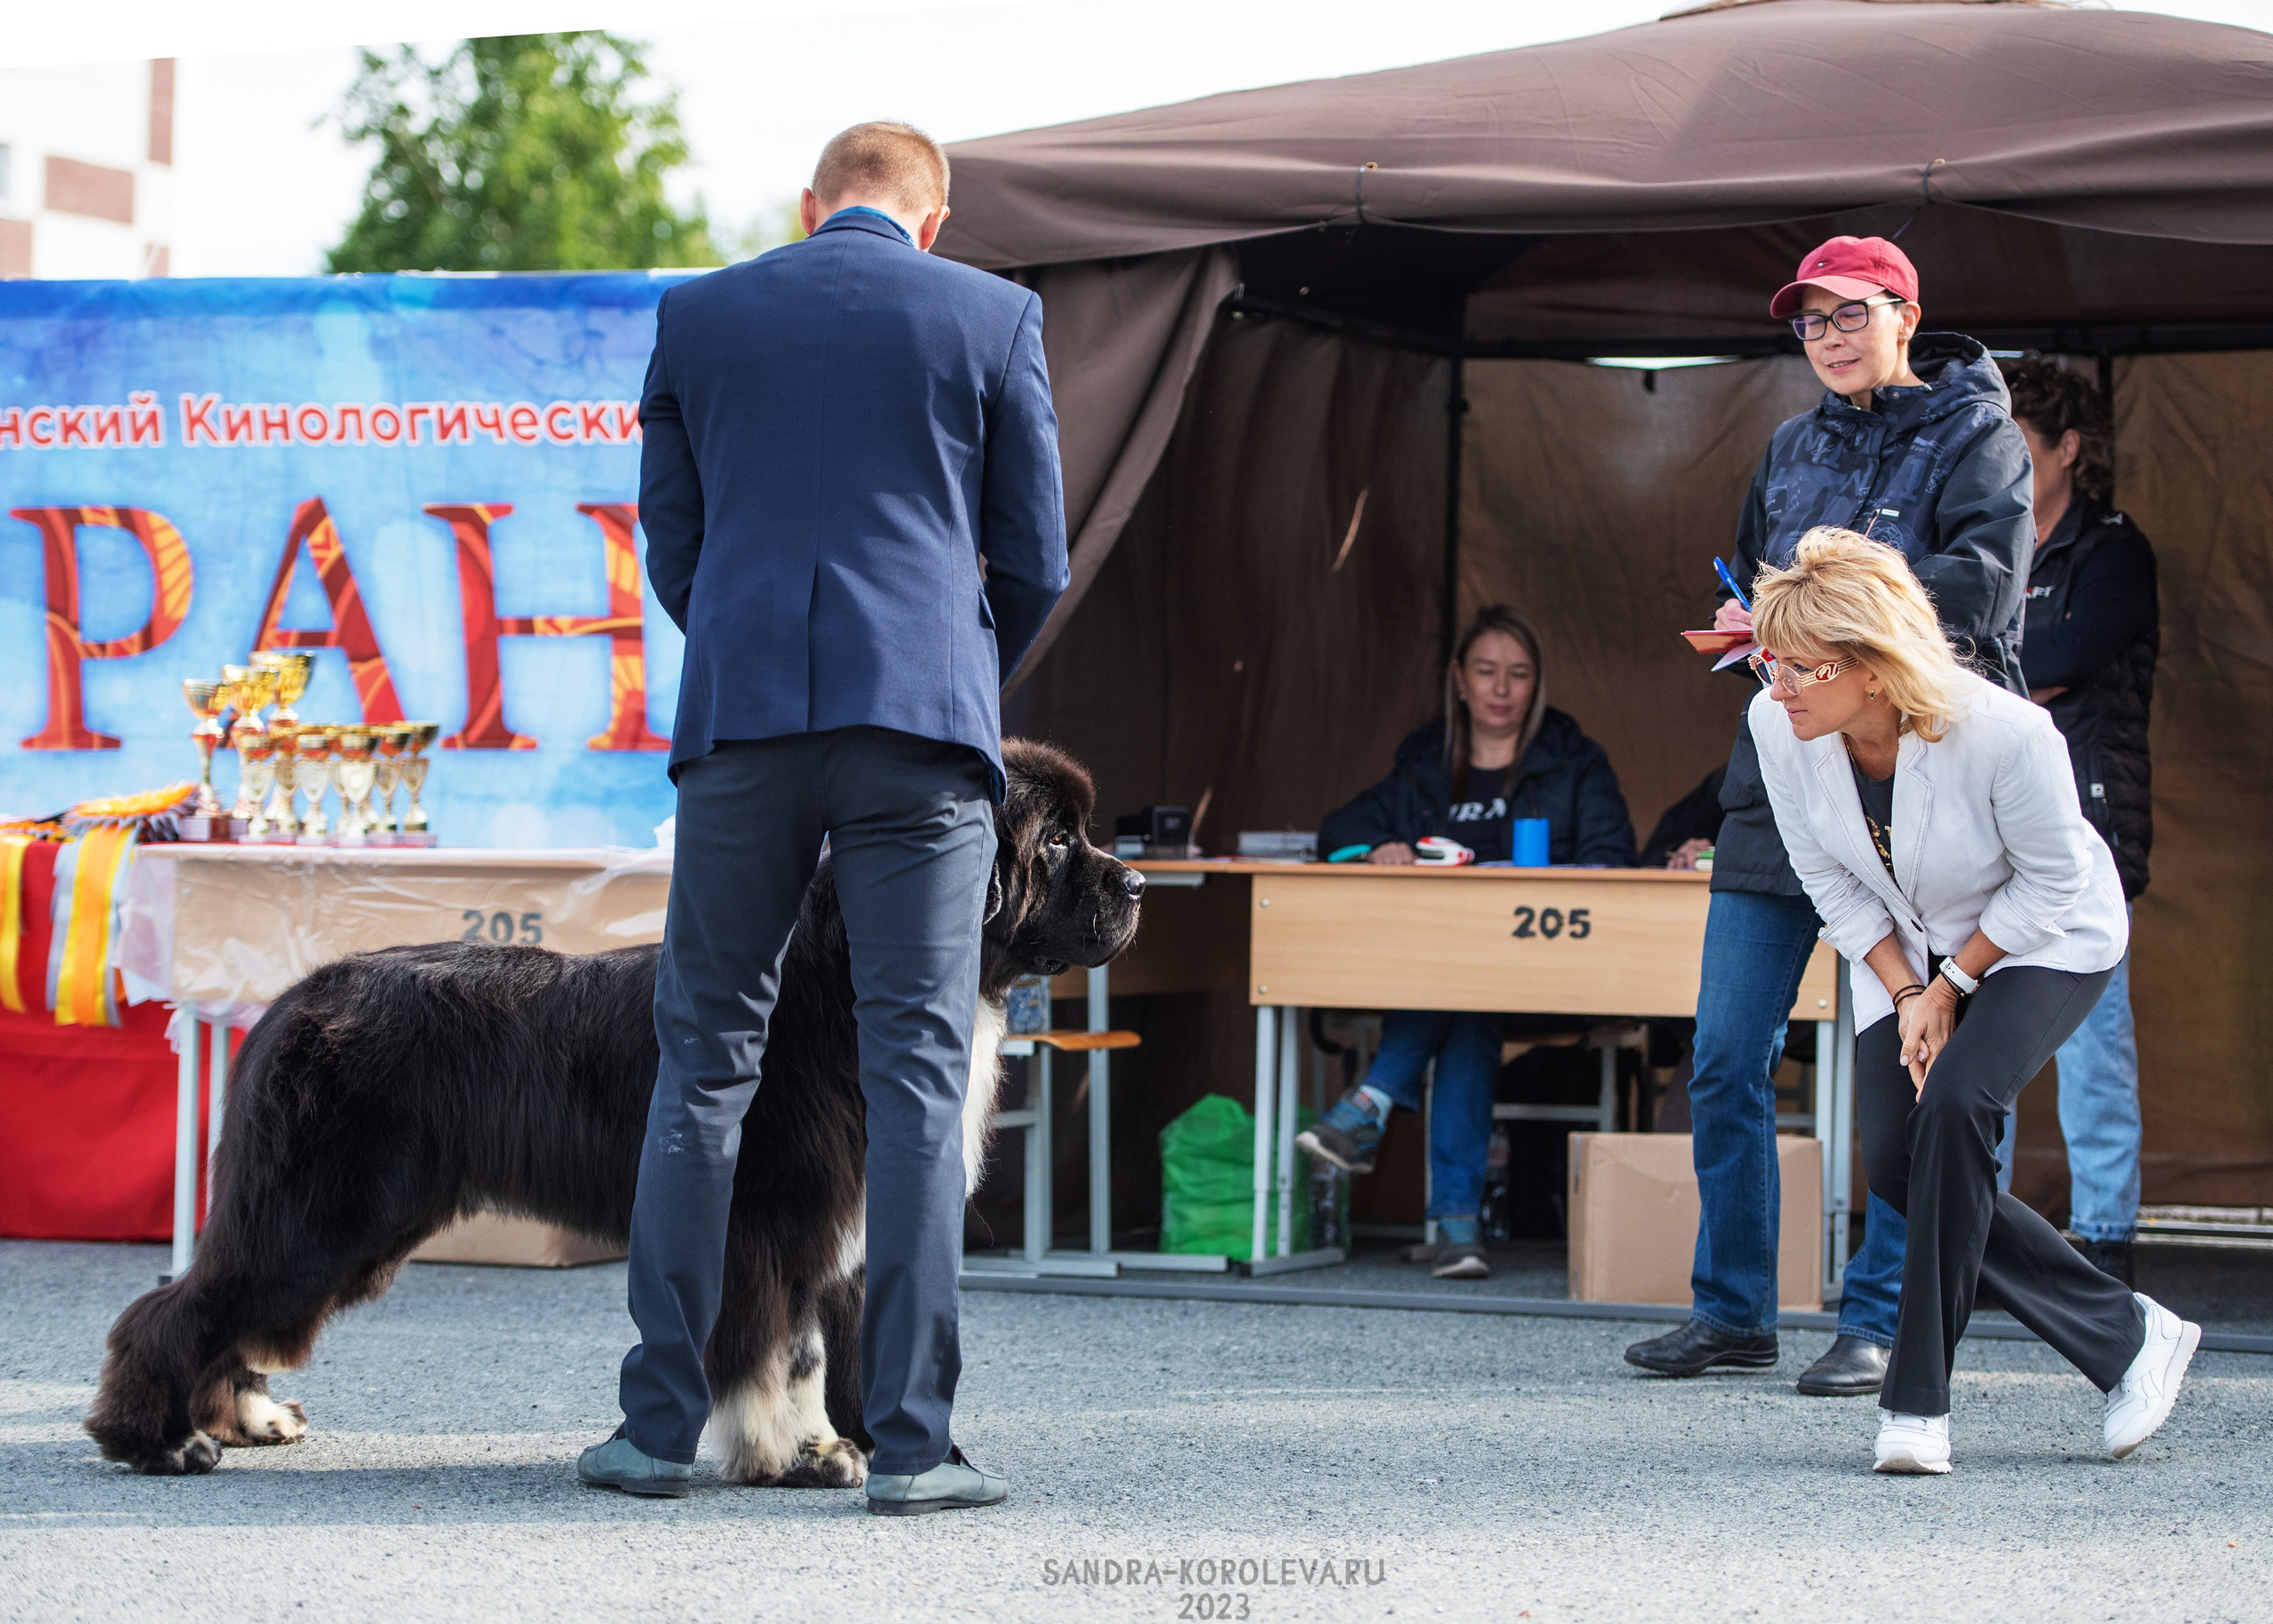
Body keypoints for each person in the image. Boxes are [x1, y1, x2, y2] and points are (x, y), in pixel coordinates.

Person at [577, 123, 1068, 1512]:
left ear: (811, 206)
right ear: (935, 217)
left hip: (741, 721)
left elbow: (673, 540)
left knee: (704, 1065)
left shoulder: (701, 312)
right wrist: (951, 673)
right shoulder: (994, 314)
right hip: (920, 731)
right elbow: (1035, 551)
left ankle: (655, 1430)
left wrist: (745, 647)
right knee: (915, 1078)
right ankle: (911, 1446)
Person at [1625, 235, 2031, 1398]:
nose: (1829, 338)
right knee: (1721, 1056)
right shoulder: (1788, 447)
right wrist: (1751, 619)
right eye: (1809, 323)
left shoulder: (1976, 434)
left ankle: (1879, 1319)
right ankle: (1733, 1311)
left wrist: (1835, 605)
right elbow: (1765, 589)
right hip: (1781, 786)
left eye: (1849, 314)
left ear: (1905, 313)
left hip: (1913, 785)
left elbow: (1989, 591)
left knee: (1912, 1062)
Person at [1746, 526, 2197, 1474]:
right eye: (1766, 660)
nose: (1775, 685)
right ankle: (2127, 1334)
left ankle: (1914, 1403)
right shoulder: (1776, 728)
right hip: (1908, 949)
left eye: (1799, 667)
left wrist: (1953, 985)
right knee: (1902, 1157)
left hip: (2043, 933)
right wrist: (1912, 986)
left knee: (1956, 1104)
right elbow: (1829, 882)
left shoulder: (2007, 731)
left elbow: (2051, 881)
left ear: (1871, 667)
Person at [1298, 606, 1636, 1279]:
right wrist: (1377, 850)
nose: (1501, 688)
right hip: (1449, 977)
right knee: (1467, 1006)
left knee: (1464, 989)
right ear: (1459, 679)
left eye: (1517, 674)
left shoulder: (1574, 762)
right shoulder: (1423, 762)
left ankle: (1370, 1103)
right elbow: (1336, 828)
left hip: (1552, 965)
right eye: (1486, 671)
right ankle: (1457, 1230)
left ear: (1536, 683)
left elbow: (1613, 856)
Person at [2000, 360, 2158, 1287]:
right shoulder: (1986, 535)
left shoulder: (2114, 548)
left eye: (2022, 446)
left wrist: (1982, 661)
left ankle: (2104, 1238)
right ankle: (1988, 1233)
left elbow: (2060, 656)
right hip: (1994, 823)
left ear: (2068, 449)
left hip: (2089, 818)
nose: (2008, 466)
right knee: (1988, 1034)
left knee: (2094, 1042)